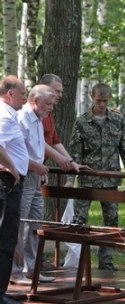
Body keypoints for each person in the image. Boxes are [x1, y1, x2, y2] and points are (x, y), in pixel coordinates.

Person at [67, 83, 125, 271]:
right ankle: (79, 260)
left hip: (111, 179)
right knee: (79, 220)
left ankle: (106, 262)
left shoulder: (117, 120)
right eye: (98, 100)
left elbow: (124, 147)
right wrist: (71, 179)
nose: (102, 104)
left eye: (105, 101)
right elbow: (75, 153)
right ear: (91, 98)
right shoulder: (82, 122)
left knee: (111, 221)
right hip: (88, 179)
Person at [37, 73, 87, 270]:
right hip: (31, 170)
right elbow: (37, 143)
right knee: (27, 220)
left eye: (60, 92)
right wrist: (60, 159)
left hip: (40, 170)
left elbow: (55, 140)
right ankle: (26, 263)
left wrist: (71, 162)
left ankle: (34, 260)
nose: (59, 96)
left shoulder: (48, 113)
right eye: (56, 91)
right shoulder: (35, 113)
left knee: (36, 217)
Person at [10, 85, 57, 285]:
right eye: (48, 103)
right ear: (35, 100)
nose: (51, 108)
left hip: (37, 177)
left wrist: (42, 168)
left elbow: (38, 147)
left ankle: (32, 268)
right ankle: (15, 270)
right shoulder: (22, 119)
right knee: (19, 223)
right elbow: (15, 152)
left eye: (53, 104)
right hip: (24, 175)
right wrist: (36, 166)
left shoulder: (39, 119)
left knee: (35, 223)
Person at [0, 76, 30, 304]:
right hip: (6, 183)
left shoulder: (9, 115)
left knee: (7, 236)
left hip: (9, 181)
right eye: (22, 93)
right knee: (6, 237)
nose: (25, 97)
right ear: (10, 94)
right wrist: (12, 167)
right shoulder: (5, 117)